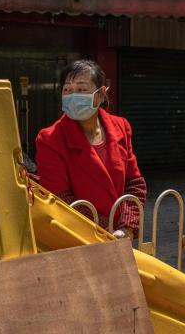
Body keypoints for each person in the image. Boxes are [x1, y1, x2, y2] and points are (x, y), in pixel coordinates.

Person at [35, 60, 147, 239]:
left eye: (80, 89)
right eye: (67, 90)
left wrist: (127, 227)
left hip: (120, 236)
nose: (72, 95)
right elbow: (60, 198)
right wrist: (106, 230)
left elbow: (134, 184)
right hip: (78, 236)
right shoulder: (50, 139)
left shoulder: (121, 127)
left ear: (101, 94)